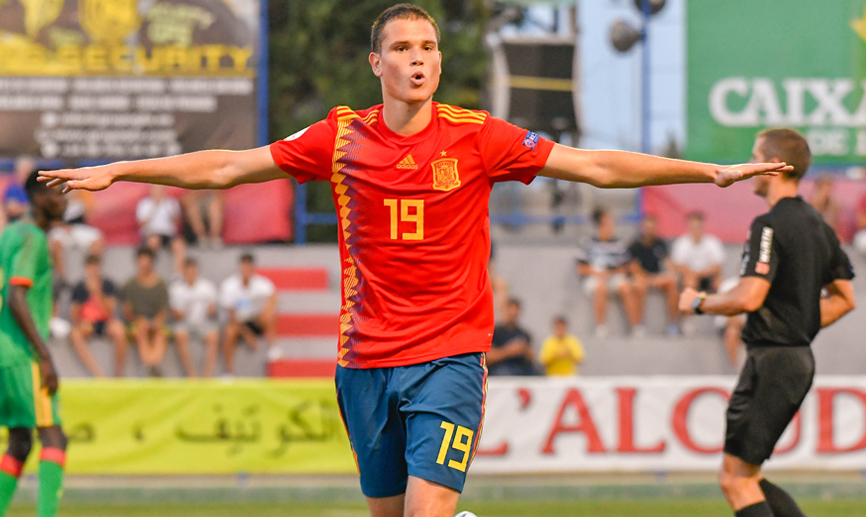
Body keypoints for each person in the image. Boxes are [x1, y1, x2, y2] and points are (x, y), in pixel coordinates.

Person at [39, 4, 789, 515]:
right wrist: (123, 169)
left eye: (428, 47)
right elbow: (229, 167)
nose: (419, 59)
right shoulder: (338, 138)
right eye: (403, 48)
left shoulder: (477, 135)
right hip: (364, 360)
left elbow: (593, 167)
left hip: (450, 356)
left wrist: (706, 172)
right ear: (377, 63)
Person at [679, 128, 855, 517]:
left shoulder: (769, 225)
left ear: (772, 167)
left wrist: (699, 303)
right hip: (795, 358)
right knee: (746, 475)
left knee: (735, 481)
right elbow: (845, 300)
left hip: (772, 360)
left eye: (755, 156)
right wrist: (800, 322)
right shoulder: (819, 227)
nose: (750, 165)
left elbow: (748, 297)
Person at [0, 171, 68, 517]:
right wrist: (44, 355)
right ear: (40, 198)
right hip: (23, 352)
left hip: (4, 353)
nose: (66, 200)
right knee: (54, 438)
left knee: (20, 441)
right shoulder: (33, 238)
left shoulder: (10, 232)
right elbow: (15, 296)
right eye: (60, 194)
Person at [576, 207, 641, 338]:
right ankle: (601, 328)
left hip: (612, 275)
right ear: (601, 224)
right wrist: (597, 273)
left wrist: (610, 273)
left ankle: (636, 328)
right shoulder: (588, 243)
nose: (612, 224)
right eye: (609, 221)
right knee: (601, 288)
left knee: (626, 288)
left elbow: (625, 267)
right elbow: (581, 268)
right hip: (594, 277)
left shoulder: (618, 243)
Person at [69, 255, 128, 377]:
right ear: (85, 269)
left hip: (106, 322)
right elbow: (74, 316)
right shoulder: (79, 288)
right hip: (88, 324)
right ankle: (97, 373)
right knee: (75, 334)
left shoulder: (108, 285)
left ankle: (118, 375)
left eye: (95, 268)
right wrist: (82, 321)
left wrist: (96, 292)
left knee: (120, 331)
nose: (92, 272)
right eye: (90, 269)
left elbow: (109, 311)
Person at [219, 253, 277, 375]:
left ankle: (273, 347)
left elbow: (273, 298)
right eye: (243, 267)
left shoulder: (262, 284)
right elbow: (232, 316)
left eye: (248, 267)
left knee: (269, 315)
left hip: (256, 321)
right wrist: (247, 334)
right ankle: (228, 371)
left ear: (252, 268)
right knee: (229, 332)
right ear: (239, 267)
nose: (245, 270)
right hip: (238, 323)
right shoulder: (229, 286)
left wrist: (266, 311)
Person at [627, 214, 680, 335]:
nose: (650, 230)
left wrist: (670, 274)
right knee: (639, 286)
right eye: (647, 227)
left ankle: (672, 324)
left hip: (656, 278)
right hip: (642, 278)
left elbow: (668, 262)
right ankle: (638, 325)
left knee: (672, 285)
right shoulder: (635, 245)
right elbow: (634, 268)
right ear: (642, 227)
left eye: (652, 227)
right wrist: (649, 279)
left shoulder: (660, 243)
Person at [121, 248, 170, 377]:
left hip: (156, 322)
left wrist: (155, 322)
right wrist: (139, 320)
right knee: (140, 330)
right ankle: (149, 365)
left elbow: (162, 311)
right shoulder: (130, 285)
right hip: (138, 323)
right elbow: (128, 312)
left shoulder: (161, 285)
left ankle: (153, 364)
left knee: (161, 333)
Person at [170, 258, 220, 377]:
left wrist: (211, 310)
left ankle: (206, 376)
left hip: (203, 322)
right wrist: (184, 311)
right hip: (185, 322)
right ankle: (191, 375)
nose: (191, 274)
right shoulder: (177, 289)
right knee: (180, 335)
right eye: (188, 271)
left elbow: (214, 310)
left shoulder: (207, 287)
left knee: (213, 336)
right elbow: (175, 315)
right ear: (184, 272)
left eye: (193, 271)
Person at [136, 184, 186, 274]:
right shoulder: (145, 204)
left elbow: (177, 221)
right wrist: (155, 206)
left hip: (168, 234)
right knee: (153, 241)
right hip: (151, 233)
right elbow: (142, 223)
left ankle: (178, 274)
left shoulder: (171, 203)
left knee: (179, 245)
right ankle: (152, 271)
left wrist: (168, 209)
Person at [671, 211, 725, 293]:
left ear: (703, 225)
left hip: (708, 276)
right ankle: (690, 305)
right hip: (689, 276)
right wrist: (693, 275)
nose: (696, 229)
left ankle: (717, 305)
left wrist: (700, 274)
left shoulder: (713, 242)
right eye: (693, 226)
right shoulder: (681, 243)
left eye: (698, 226)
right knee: (690, 283)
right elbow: (681, 266)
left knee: (720, 283)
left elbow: (717, 266)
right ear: (688, 226)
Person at [487, 298, 538, 376]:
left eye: (515, 311)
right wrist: (508, 351)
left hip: (521, 367)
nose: (513, 313)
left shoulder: (524, 334)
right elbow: (488, 358)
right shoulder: (495, 332)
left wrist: (524, 350)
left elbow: (532, 358)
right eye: (511, 310)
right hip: (501, 367)